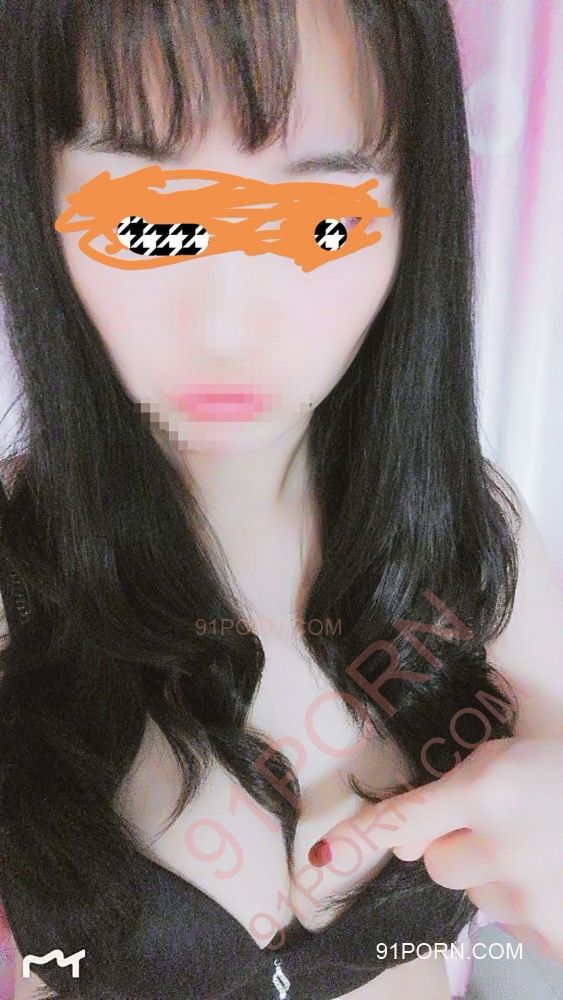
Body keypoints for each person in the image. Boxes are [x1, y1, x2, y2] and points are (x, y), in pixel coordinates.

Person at [1, 1, 562, 998]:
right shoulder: (17, 565)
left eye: (319, 222)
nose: (227, 323)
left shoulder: (471, 539)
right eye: (148, 219)